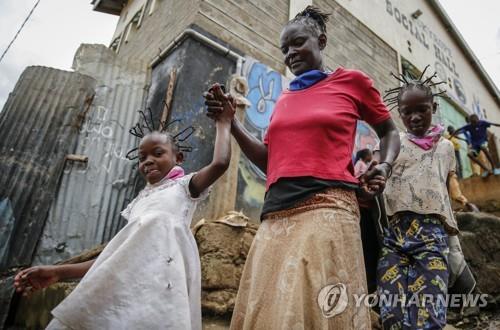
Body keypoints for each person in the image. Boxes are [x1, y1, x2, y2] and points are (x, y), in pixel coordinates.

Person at [205, 6, 400, 329]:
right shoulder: (283, 100)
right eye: (284, 49)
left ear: (321, 41)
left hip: (327, 207)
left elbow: (389, 131)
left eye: (298, 43)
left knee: (314, 304)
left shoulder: (351, 82)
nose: (290, 53)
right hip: (276, 213)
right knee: (269, 306)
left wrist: (386, 165)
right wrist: (231, 123)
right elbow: (270, 161)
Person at [13, 89, 233, 330]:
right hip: (123, 295)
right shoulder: (137, 205)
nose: (148, 160)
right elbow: (112, 258)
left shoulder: (184, 187)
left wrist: (224, 122)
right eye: (142, 157)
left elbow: (220, 163)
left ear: (178, 158)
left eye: (157, 153)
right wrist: (57, 272)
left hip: (161, 296)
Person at [379, 71, 459, 329]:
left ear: (434, 108)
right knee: (391, 311)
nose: (414, 117)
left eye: (422, 110)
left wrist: (454, 243)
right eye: (407, 112)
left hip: (431, 236)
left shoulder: (446, 148)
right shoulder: (394, 144)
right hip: (395, 236)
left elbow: (445, 189)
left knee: (430, 312)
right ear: (399, 113)